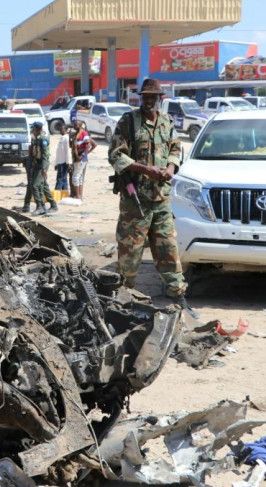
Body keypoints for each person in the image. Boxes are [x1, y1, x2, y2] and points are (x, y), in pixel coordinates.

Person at [108, 78, 197, 318]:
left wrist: (170, 167)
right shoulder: (128, 122)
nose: (148, 101)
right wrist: (146, 170)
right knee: (130, 252)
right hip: (135, 200)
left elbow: (176, 149)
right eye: (145, 97)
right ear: (140, 98)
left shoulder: (167, 122)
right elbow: (116, 156)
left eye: (153, 97)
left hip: (161, 199)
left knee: (167, 248)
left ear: (160, 99)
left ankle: (177, 296)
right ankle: (123, 301)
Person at [26, 121, 57, 215]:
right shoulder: (36, 138)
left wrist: (44, 169)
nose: (32, 130)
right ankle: (52, 204)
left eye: (33, 128)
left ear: (37, 129)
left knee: (35, 185)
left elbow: (45, 155)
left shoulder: (42, 139)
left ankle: (39, 206)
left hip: (42, 164)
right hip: (37, 164)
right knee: (43, 185)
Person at [70, 118, 96, 200]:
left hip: (80, 159)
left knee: (75, 177)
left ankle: (77, 196)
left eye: (75, 124)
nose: (74, 125)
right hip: (76, 158)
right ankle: (79, 196)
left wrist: (83, 155)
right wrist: (70, 137)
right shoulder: (76, 134)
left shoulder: (84, 133)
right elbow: (71, 146)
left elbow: (88, 145)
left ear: (80, 125)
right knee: (80, 177)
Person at [54, 123, 70, 192]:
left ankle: (57, 193)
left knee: (60, 179)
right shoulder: (62, 138)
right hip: (60, 162)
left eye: (61, 129)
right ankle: (64, 193)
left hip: (64, 162)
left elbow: (68, 151)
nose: (60, 130)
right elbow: (59, 152)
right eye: (60, 129)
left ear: (66, 130)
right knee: (63, 178)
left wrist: (68, 162)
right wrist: (56, 163)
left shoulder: (66, 138)